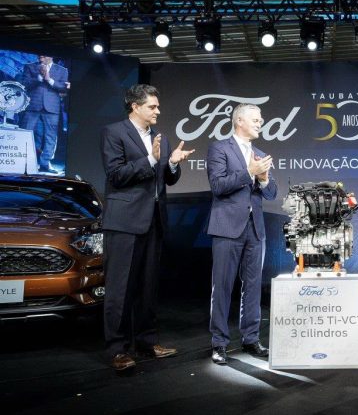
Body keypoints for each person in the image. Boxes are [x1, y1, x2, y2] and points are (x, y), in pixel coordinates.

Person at [101, 84, 195, 370]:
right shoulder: (114, 132)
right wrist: (151, 159)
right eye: (152, 106)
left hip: (154, 220)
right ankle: (117, 349)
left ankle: (146, 342)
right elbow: (116, 175)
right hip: (124, 222)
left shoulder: (160, 138)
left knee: (148, 286)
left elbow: (166, 178)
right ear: (135, 106)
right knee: (120, 288)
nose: (158, 111)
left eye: (157, 106)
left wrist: (173, 164)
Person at [206, 104, 277, 365]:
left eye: (260, 120)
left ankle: (251, 338)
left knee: (253, 286)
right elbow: (218, 185)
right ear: (239, 121)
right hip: (227, 227)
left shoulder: (261, 154)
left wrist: (264, 178)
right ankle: (219, 343)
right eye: (256, 119)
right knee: (222, 286)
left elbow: (271, 193)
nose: (260, 123)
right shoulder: (219, 148)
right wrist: (249, 173)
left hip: (255, 229)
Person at [20, 55, 69, 174]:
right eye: (39, 56)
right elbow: (24, 84)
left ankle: (45, 164)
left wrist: (49, 79)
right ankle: (23, 163)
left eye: (43, 56)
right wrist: (39, 78)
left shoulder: (62, 70)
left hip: (52, 107)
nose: (40, 58)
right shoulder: (30, 67)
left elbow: (64, 87)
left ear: (50, 56)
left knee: (50, 137)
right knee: (26, 134)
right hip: (32, 106)